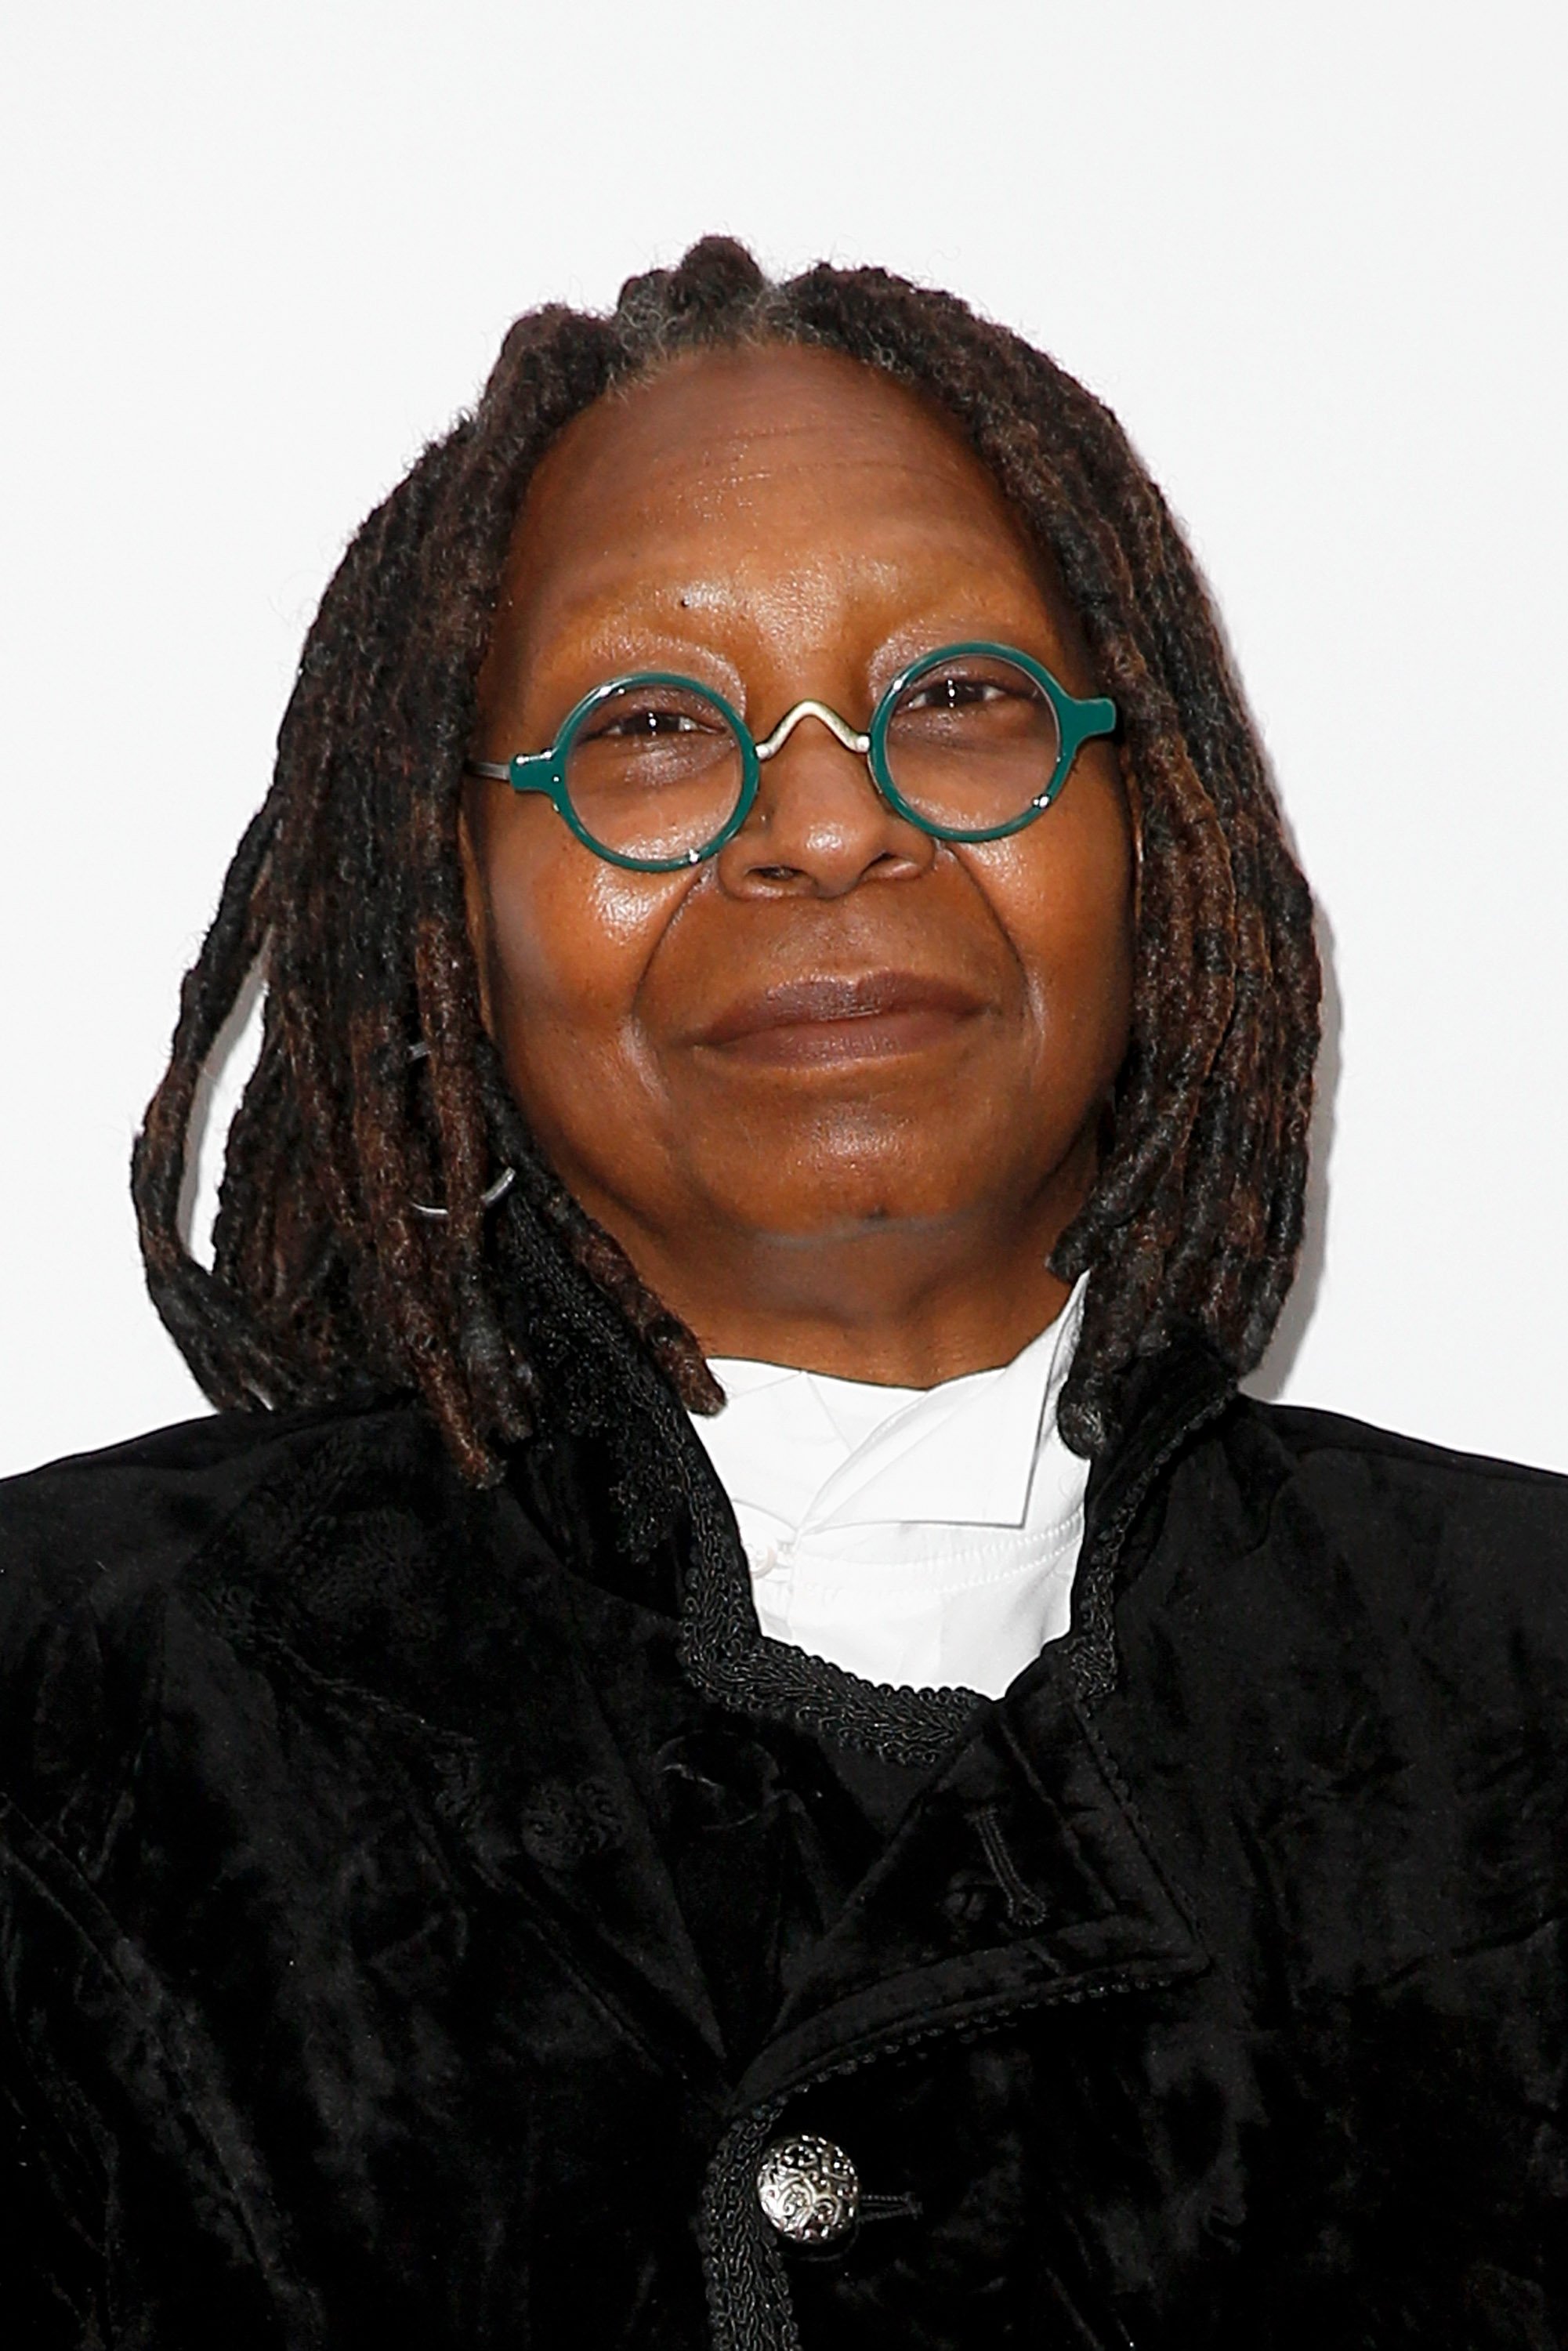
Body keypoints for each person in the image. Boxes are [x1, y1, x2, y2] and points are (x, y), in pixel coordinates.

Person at [1, 237, 1563, 2350]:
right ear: (445, 899)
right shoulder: (73, 1713)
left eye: (955, 701)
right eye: (651, 729)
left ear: (1155, 828)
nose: (824, 828)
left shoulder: (1518, 1672)